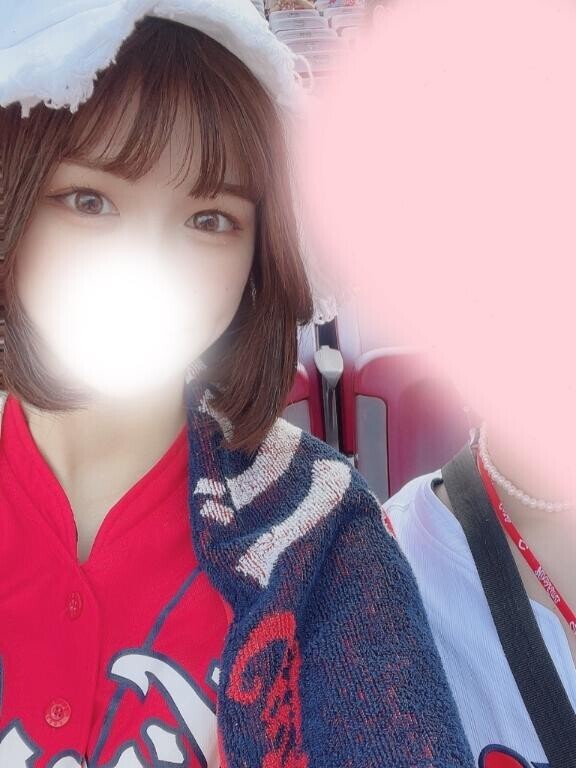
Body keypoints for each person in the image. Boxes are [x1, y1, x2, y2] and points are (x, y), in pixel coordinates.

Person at [0, 1, 475, 766]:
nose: (148, 268)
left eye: (210, 218)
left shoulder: (319, 528)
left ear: (258, 256)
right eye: (90, 201)